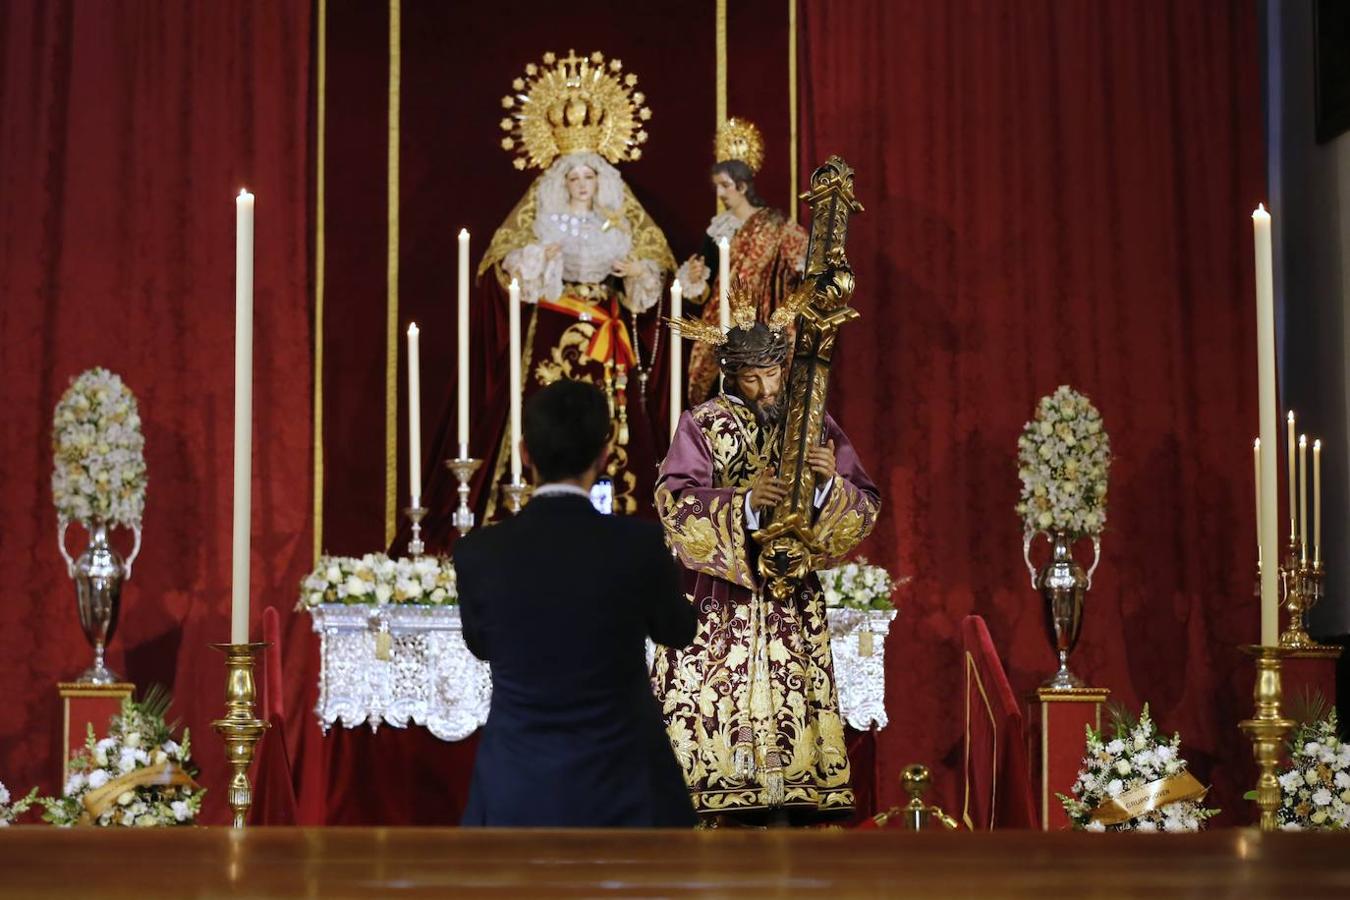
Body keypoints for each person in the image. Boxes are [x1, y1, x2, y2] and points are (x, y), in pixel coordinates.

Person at [652, 310, 881, 823]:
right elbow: (674, 504)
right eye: (751, 378)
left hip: (789, 602)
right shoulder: (703, 423)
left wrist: (827, 484)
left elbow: (864, 504)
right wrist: (744, 503)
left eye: (772, 374)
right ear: (732, 375)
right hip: (716, 606)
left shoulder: (813, 421)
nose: (764, 389)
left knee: (793, 773)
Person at [456, 379, 698, 827]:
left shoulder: (479, 552)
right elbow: (678, 630)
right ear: (603, 454)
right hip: (626, 790)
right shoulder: (638, 545)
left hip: (516, 789)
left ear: (525, 453)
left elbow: (481, 644)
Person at [478, 51, 675, 518]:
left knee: (612, 417)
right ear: (561, 181)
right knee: (547, 405)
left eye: (590, 175)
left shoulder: (615, 223)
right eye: (574, 176)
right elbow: (506, 267)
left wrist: (635, 274)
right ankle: (533, 506)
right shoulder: (545, 220)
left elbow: (652, 271)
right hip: (555, 321)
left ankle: (615, 509)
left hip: (606, 327)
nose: (582, 183)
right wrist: (537, 258)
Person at [676, 118, 809, 404]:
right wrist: (697, 278)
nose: (720, 193)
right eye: (717, 187)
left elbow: (803, 260)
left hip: (763, 324)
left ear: (743, 185)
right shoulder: (717, 229)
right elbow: (703, 291)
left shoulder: (775, 224)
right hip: (722, 322)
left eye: (725, 185)